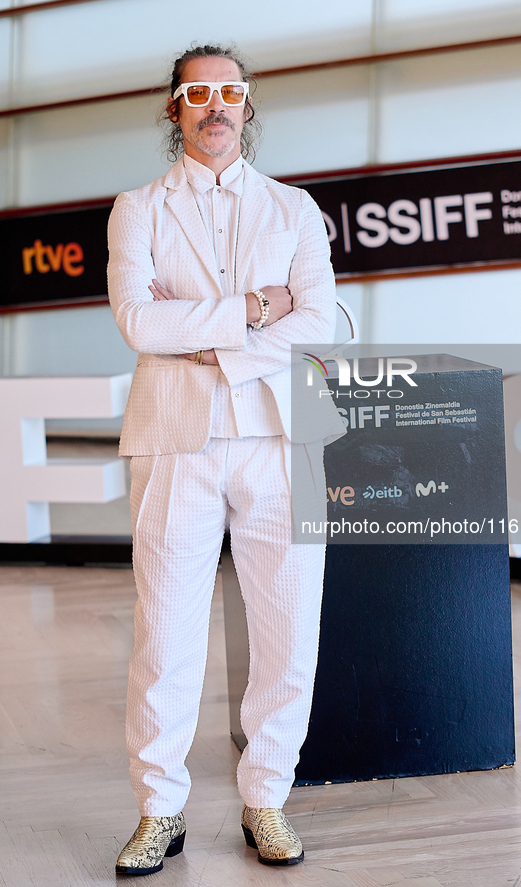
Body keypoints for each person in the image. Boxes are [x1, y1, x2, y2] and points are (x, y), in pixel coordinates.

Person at [107, 42, 343, 876]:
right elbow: (139, 323)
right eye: (196, 91)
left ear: (248, 104)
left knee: (288, 627)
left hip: (286, 433)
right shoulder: (137, 209)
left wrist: (208, 335)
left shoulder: (293, 207)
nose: (215, 103)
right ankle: (157, 809)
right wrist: (252, 309)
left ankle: (266, 797)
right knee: (164, 633)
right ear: (174, 108)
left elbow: (322, 322)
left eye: (229, 90)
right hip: (177, 437)